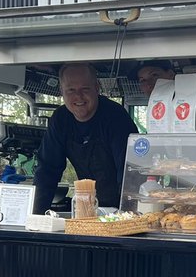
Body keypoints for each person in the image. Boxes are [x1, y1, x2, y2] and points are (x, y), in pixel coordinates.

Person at [33, 63, 138, 214]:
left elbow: (129, 172)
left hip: (120, 208)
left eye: (85, 89)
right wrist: (36, 216)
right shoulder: (60, 119)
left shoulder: (115, 117)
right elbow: (47, 170)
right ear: (61, 91)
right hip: (88, 208)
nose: (78, 96)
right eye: (71, 90)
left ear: (97, 88)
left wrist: (127, 215)